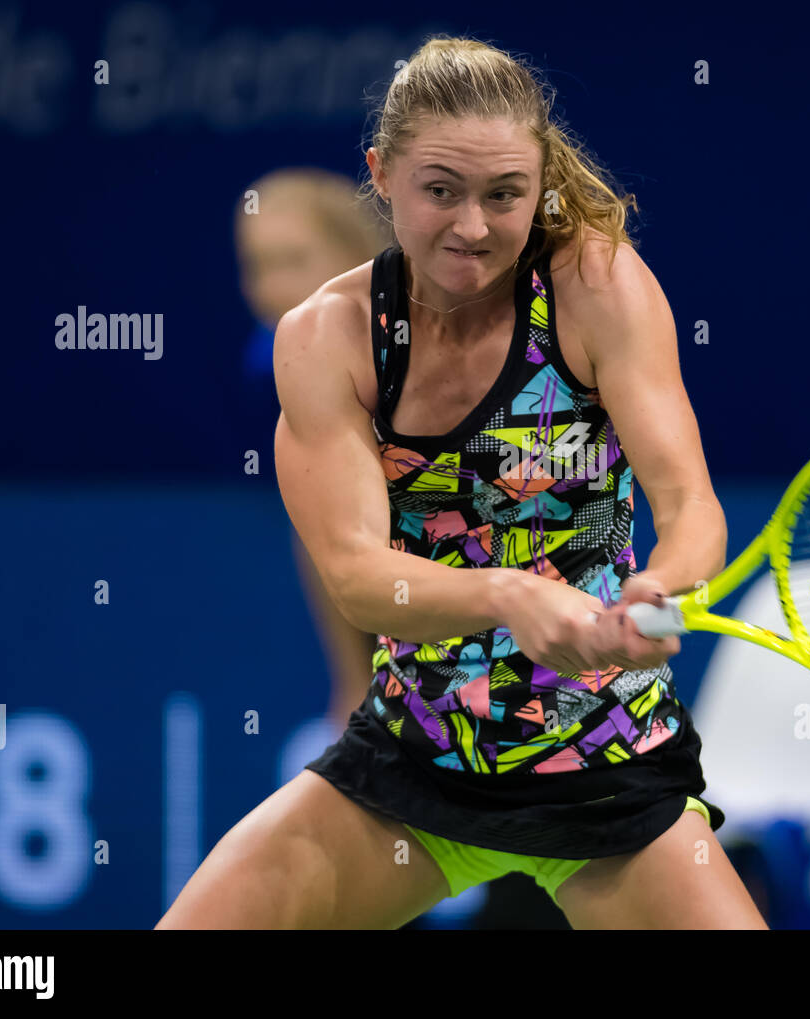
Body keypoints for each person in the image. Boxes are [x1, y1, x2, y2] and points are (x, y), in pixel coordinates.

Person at [157, 34, 766, 930]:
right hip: (411, 769)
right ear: (382, 174)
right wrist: (510, 595)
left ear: (539, 186)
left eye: (504, 194)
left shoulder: (599, 287)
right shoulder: (328, 339)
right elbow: (361, 576)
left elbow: (692, 512)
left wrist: (660, 596)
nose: (472, 226)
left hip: (609, 780)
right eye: (440, 189)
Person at [234, 168, 387, 728]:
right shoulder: (274, 357)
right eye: (257, 266)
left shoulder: (425, 338)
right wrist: (354, 690)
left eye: (293, 260)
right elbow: (328, 535)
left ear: (355, 251)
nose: (272, 288)